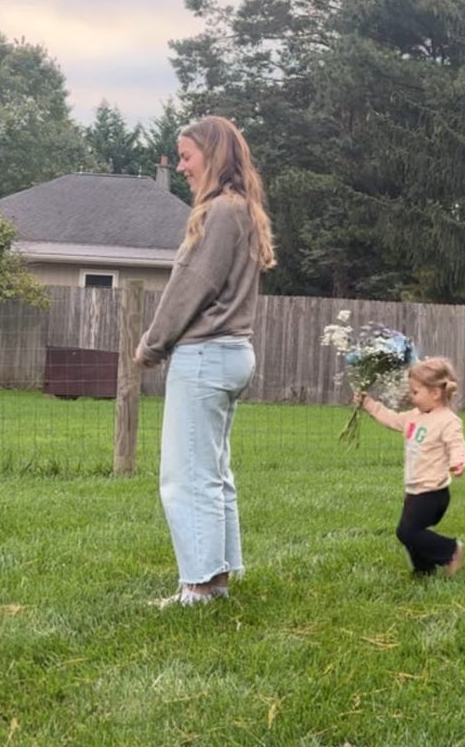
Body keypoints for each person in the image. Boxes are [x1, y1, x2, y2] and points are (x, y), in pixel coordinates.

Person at [134, 115, 276, 607]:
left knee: (186, 475)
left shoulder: (220, 212)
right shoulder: (243, 210)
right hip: (232, 353)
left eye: (187, 156)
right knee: (212, 472)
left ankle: (197, 587)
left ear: (211, 155)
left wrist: (152, 344)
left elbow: (191, 285)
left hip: (205, 356)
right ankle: (216, 580)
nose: (181, 166)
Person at [357, 357, 465, 577]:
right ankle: (424, 569)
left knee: (406, 532)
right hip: (414, 490)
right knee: (412, 533)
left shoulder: (447, 420)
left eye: (415, 392)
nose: (411, 396)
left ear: (435, 393)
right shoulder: (414, 417)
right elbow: (391, 419)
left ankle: (450, 550)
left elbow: (457, 443)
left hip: (433, 492)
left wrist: (458, 461)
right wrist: (367, 403)